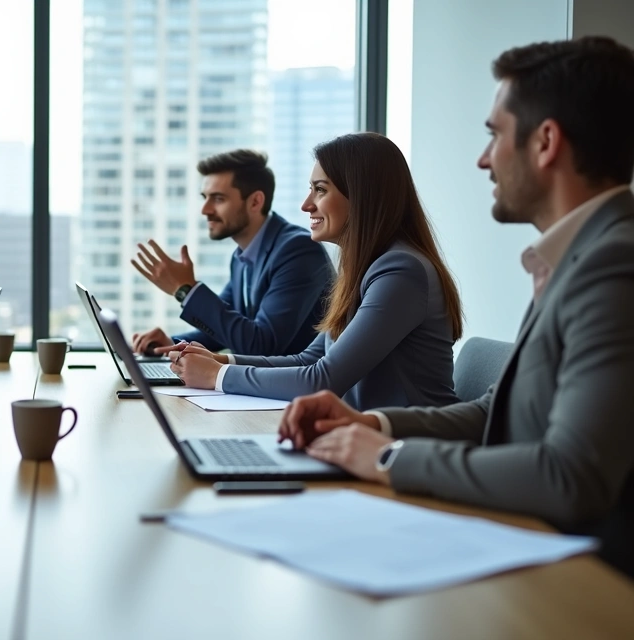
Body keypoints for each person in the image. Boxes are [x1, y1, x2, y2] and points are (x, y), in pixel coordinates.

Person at [279, 37, 634, 577]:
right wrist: (371, 422)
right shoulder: (572, 257)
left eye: (494, 134)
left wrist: (384, 458)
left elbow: (570, 476)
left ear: (545, 143)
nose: (483, 157)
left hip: (586, 584)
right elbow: (497, 412)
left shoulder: (614, 265)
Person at [166, 133, 463, 411]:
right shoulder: (367, 266)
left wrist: (218, 375)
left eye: (320, 190)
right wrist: (220, 359)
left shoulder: (400, 271)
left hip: (401, 448)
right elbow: (309, 359)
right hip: (361, 437)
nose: (306, 205)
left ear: (361, 196)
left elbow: (323, 379)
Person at [130, 150, 333, 357]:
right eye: (205, 197)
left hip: (297, 387)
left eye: (218, 199)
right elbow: (223, 330)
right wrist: (170, 344)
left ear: (255, 202)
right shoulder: (241, 257)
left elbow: (262, 345)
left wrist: (186, 289)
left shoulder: (297, 250)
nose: (205, 209)